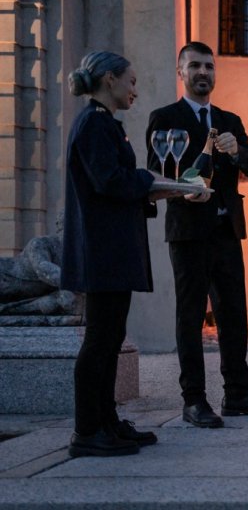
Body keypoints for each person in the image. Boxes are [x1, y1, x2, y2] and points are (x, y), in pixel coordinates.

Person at [146, 41, 248, 428]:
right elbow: (158, 172)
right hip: (187, 233)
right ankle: (194, 400)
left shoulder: (229, 120)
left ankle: (237, 394)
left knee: (233, 314)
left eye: (209, 66)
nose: (203, 73)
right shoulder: (164, 117)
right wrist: (184, 183)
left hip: (226, 231)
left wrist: (237, 150)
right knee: (190, 317)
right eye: (194, 66)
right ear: (181, 73)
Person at [61, 51, 174, 456]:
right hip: (103, 251)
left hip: (111, 249)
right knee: (99, 341)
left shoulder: (103, 123)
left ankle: (106, 420)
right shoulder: (94, 123)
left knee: (109, 340)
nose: (134, 90)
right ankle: (87, 431)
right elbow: (109, 181)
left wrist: (151, 189)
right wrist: (148, 181)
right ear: (109, 80)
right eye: (131, 81)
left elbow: (115, 185)